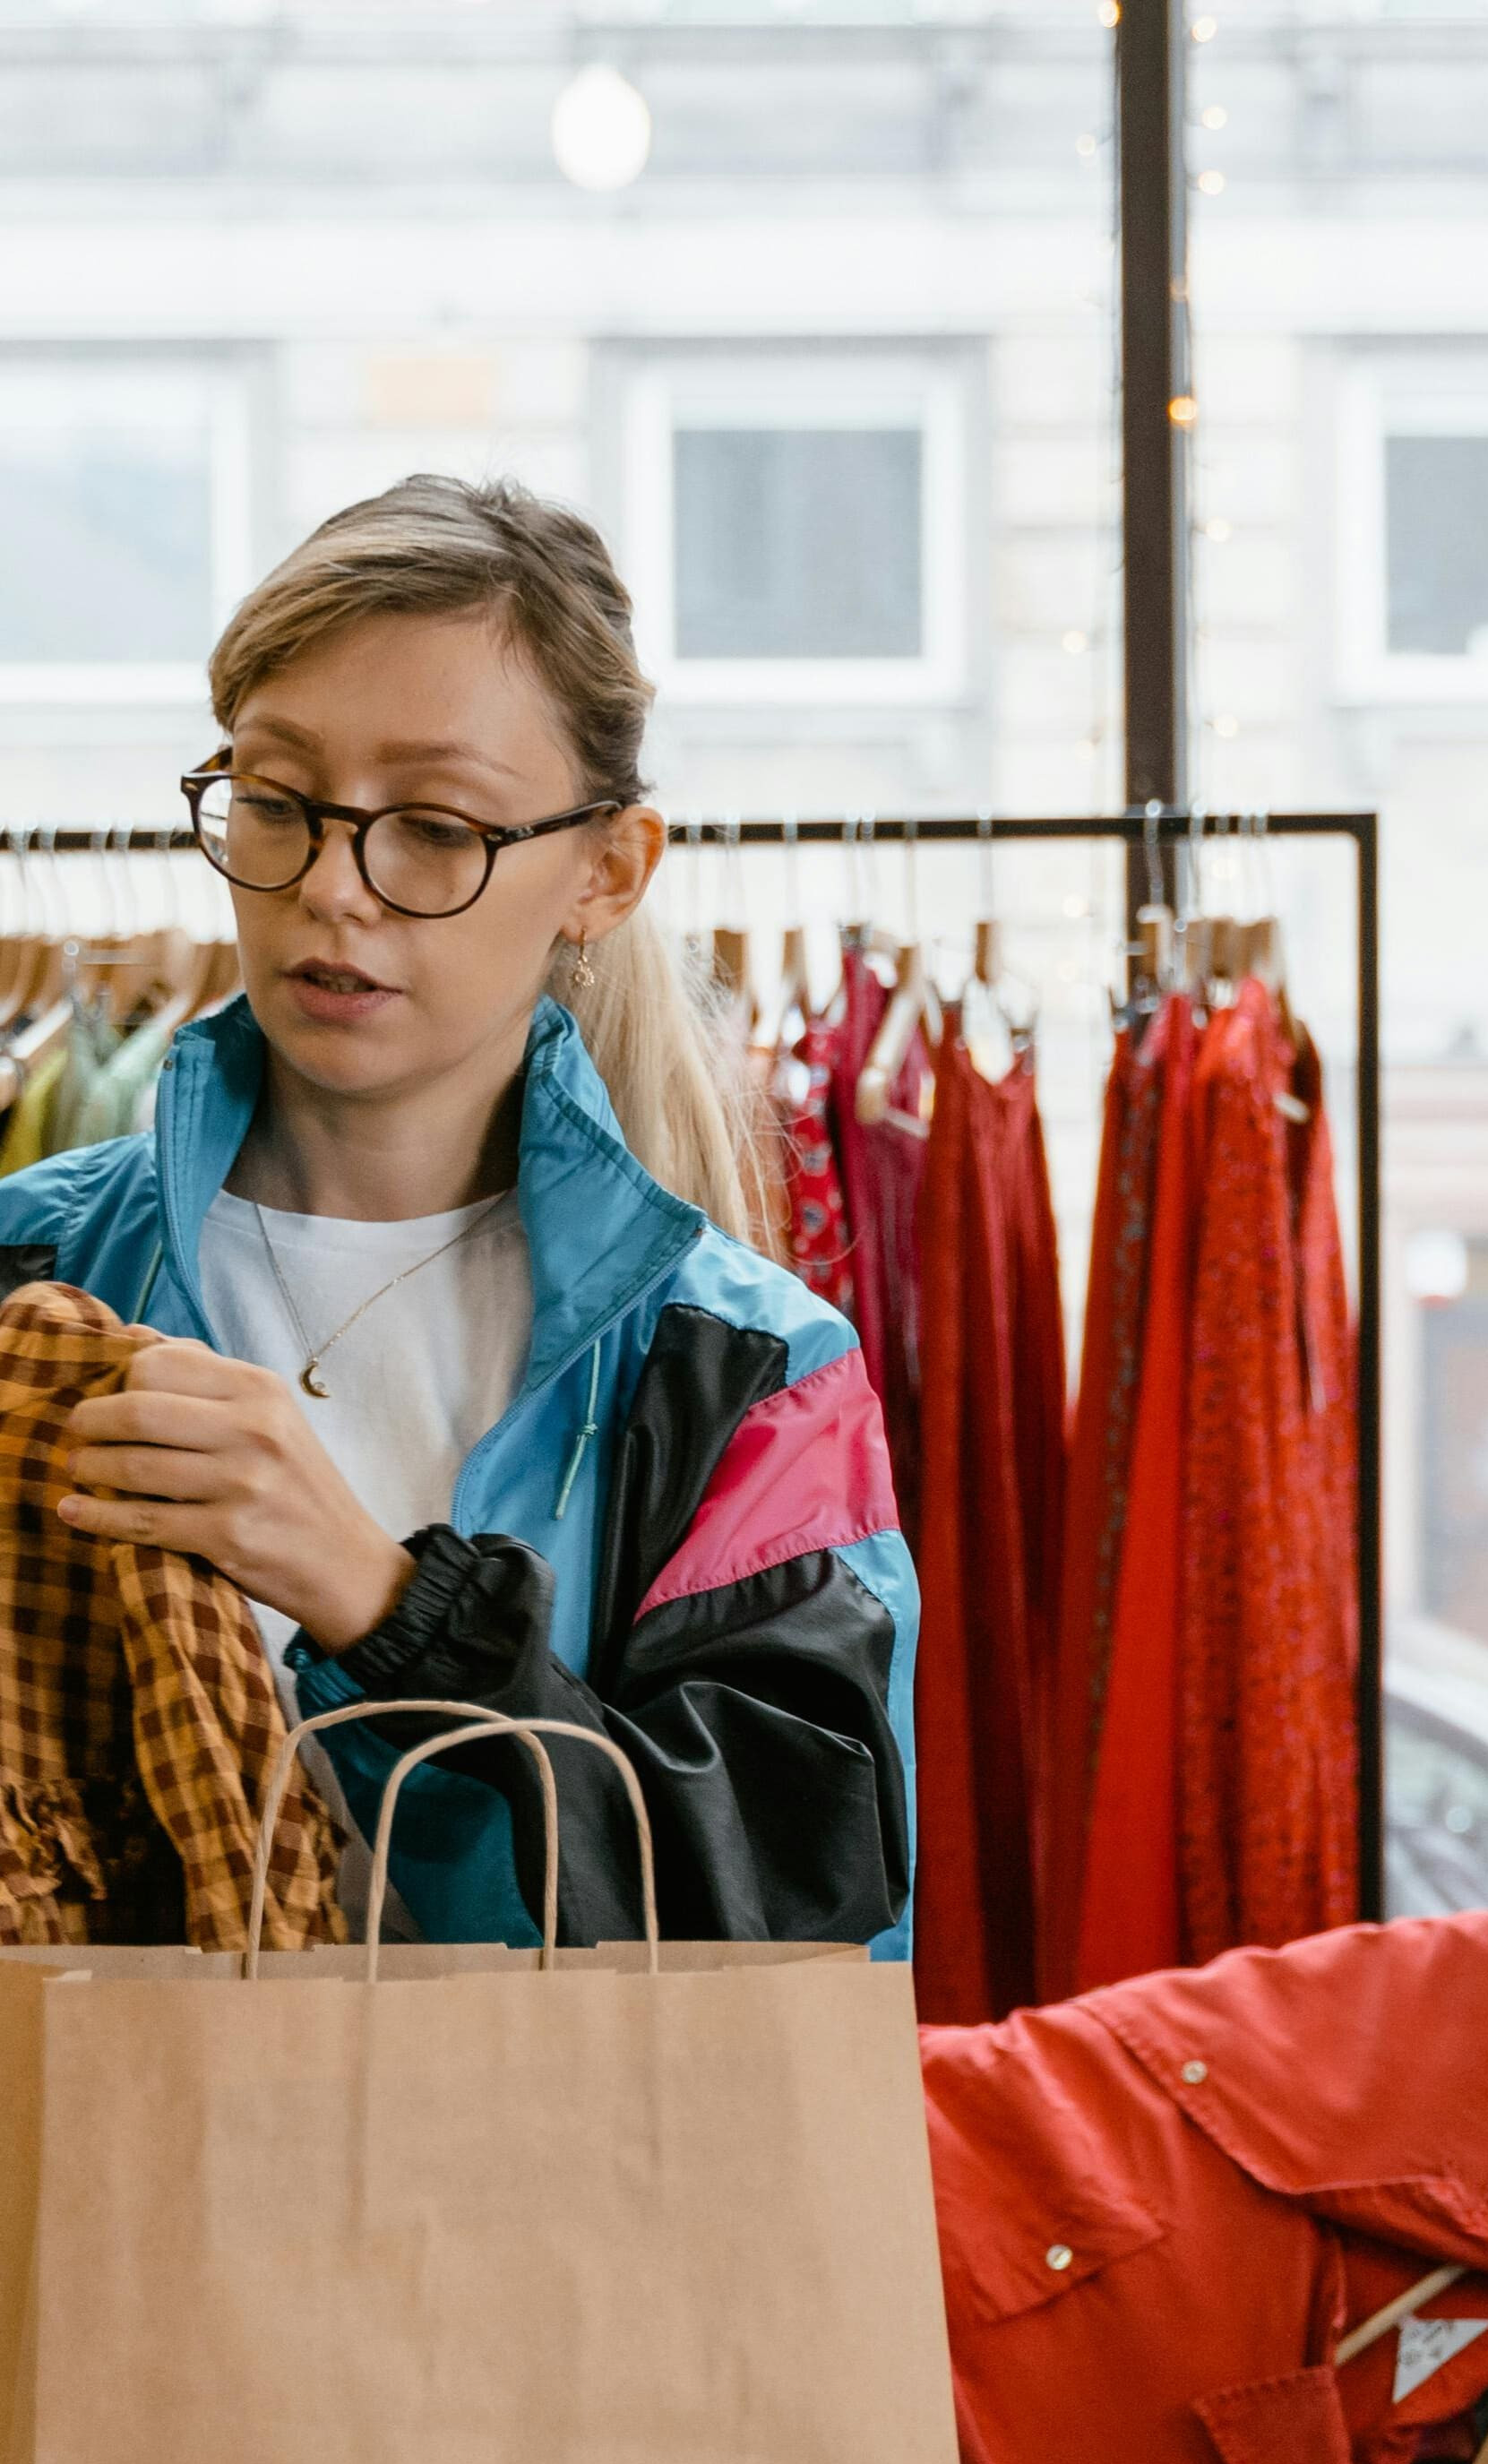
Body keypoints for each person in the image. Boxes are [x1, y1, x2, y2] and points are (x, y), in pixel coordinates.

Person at [0, 474, 914, 1949]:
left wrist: (379, 1600)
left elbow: (788, 1917)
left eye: (434, 826)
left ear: (604, 872)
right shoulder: (26, 1280)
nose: (334, 888)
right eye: (281, 801)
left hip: (547, 2182)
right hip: (72, 2172)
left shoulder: (743, 1374)